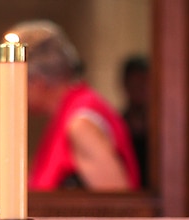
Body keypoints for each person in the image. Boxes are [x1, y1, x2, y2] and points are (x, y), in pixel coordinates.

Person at [9, 20, 140, 192]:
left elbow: (118, 205)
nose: (11, 92)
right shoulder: (66, 112)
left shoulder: (81, 124)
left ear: (38, 81)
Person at [120, 54, 150, 187]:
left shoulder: (164, 133)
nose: (140, 89)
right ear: (125, 84)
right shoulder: (117, 127)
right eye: (135, 84)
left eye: (144, 83)